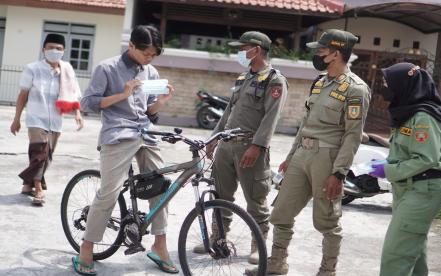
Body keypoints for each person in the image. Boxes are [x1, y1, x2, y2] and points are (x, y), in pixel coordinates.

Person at [247, 29, 370, 276]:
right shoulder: (320, 83)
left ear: (336, 53)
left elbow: (352, 136)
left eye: (321, 50)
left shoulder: (355, 89)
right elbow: (305, 125)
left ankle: (327, 270)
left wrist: (339, 172)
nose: (317, 54)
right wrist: (291, 156)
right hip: (302, 155)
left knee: (326, 219)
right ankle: (277, 262)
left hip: (327, 159)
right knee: (281, 212)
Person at [73, 25, 177, 275]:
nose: (149, 59)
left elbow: (149, 111)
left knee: (161, 189)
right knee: (109, 193)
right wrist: (122, 94)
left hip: (145, 133)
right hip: (117, 133)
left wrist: (161, 101)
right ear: (131, 45)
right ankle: (86, 249)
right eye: (146, 54)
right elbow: (87, 103)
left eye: (153, 55)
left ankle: (159, 246)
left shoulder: (150, 71)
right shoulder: (107, 68)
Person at [194, 31, 288, 264]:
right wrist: (214, 138)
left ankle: (258, 244)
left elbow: (271, 117)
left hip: (250, 148)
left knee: (256, 198)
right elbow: (229, 112)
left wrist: (257, 146)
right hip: (227, 146)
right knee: (221, 194)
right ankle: (218, 238)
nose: (239, 52)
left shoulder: (275, 80)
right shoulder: (243, 78)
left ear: (256, 50)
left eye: (243, 48)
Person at [369, 62, 441, 276]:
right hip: (409, 188)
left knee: (396, 254)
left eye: (389, 83)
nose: (385, 87)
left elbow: (426, 158)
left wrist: (389, 170)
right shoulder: (408, 112)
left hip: (423, 189)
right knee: (413, 251)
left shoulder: (424, 116)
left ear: (404, 85)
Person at [10, 33, 84, 206]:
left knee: (47, 156)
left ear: (64, 51)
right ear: (43, 49)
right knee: (39, 152)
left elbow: (74, 93)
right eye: (50, 47)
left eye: (58, 48)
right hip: (36, 118)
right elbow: (23, 95)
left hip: (56, 120)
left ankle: (27, 184)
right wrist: (16, 119)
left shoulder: (67, 70)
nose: (54, 51)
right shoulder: (32, 68)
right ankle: (38, 189)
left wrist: (78, 114)